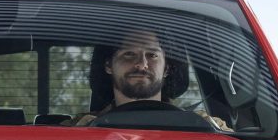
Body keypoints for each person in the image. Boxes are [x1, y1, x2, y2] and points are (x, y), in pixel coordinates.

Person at [75, 25, 231, 130]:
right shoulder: (77, 128)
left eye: (152, 55)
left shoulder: (209, 127)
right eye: (129, 54)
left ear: (166, 69)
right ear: (108, 65)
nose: (142, 64)